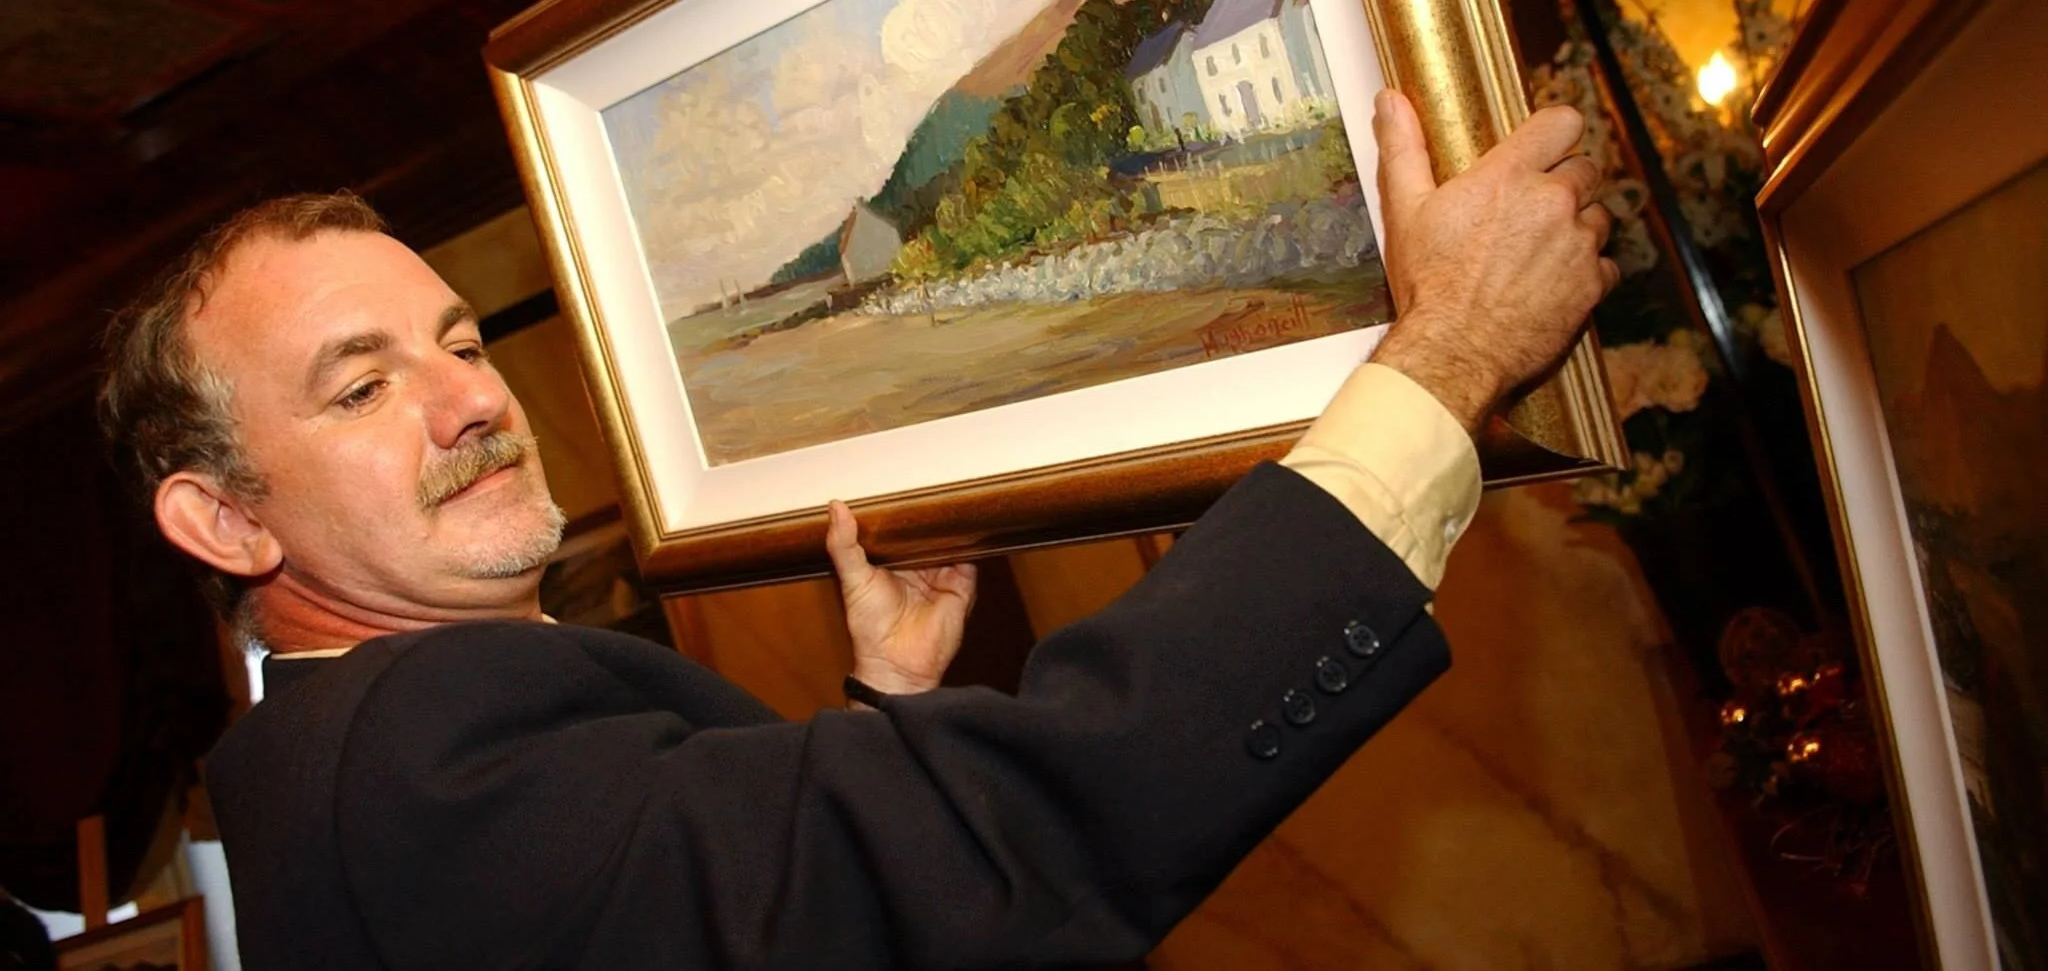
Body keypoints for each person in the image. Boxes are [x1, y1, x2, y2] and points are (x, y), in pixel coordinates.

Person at [99, 91, 1614, 969]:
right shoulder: (411, 746)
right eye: (364, 386)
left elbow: (774, 923)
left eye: (463, 342)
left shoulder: (348, 754)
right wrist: (1445, 360)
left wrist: (885, 717)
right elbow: (1028, 826)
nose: (472, 402)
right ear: (223, 520)